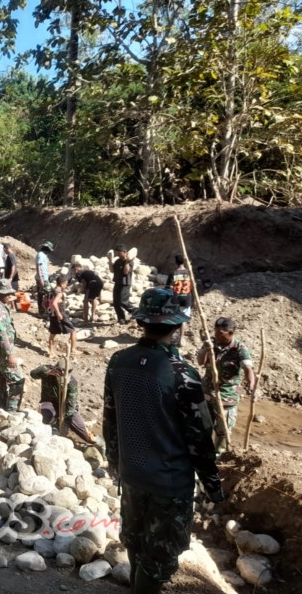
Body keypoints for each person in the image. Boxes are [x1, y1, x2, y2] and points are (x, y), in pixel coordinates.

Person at [103, 288, 225, 593]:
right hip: (169, 485)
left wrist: (116, 464)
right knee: (159, 560)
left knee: (136, 544)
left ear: (142, 322)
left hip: (132, 476)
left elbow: (110, 422)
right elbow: (199, 439)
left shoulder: (119, 361)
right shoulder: (183, 374)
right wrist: (213, 486)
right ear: (177, 326)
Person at [196, 317, 256, 454]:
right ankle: (201, 455)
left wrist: (251, 386)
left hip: (227, 396)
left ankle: (219, 455)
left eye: (221, 334)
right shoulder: (210, 342)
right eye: (216, 332)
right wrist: (206, 349)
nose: (217, 336)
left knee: (223, 429)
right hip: (207, 393)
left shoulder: (240, 349)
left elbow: (248, 369)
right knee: (203, 426)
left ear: (231, 333)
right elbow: (200, 362)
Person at [30, 363, 94, 444]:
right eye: (59, 374)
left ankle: (101, 444)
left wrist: (64, 428)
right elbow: (32, 374)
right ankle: (51, 429)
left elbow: (70, 409)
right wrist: (49, 372)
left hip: (66, 406)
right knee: (45, 417)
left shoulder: (72, 383)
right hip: (49, 402)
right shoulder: (47, 370)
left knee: (86, 435)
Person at [0, 280, 25, 411]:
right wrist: (10, 354)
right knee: (17, 380)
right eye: (6, 293)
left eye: (10, 293)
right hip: (1, 351)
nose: (9, 295)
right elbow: (1, 332)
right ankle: (12, 412)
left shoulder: (0, 305)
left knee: (1, 380)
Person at [48, 275, 77, 358]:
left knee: (52, 333)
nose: (66, 286)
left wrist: (49, 310)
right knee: (73, 330)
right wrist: (59, 314)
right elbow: (54, 303)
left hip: (51, 314)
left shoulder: (51, 291)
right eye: (66, 284)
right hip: (60, 314)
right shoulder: (59, 293)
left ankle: (51, 352)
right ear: (62, 284)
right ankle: (73, 349)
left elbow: (45, 302)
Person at [168, 254, 193, 346]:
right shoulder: (189, 272)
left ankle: (170, 337)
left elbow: (169, 287)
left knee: (173, 319)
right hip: (186, 299)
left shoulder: (173, 273)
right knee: (183, 320)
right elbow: (193, 285)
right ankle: (181, 339)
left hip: (176, 299)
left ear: (176, 262)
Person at [110, 244, 136, 325]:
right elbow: (112, 270)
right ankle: (121, 320)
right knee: (116, 303)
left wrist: (127, 261)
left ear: (125, 252)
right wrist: (110, 260)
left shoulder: (130, 261)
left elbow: (126, 271)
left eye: (119, 253)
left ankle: (137, 311)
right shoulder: (118, 261)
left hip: (125, 284)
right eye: (117, 253)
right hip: (117, 283)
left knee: (123, 302)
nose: (118, 254)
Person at [34, 241, 54, 314]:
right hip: (42, 279)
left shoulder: (42, 255)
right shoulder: (41, 255)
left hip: (43, 278)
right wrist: (41, 279)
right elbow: (38, 267)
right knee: (48, 294)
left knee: (42, 295)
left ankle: (42, 312)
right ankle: (46, 312)